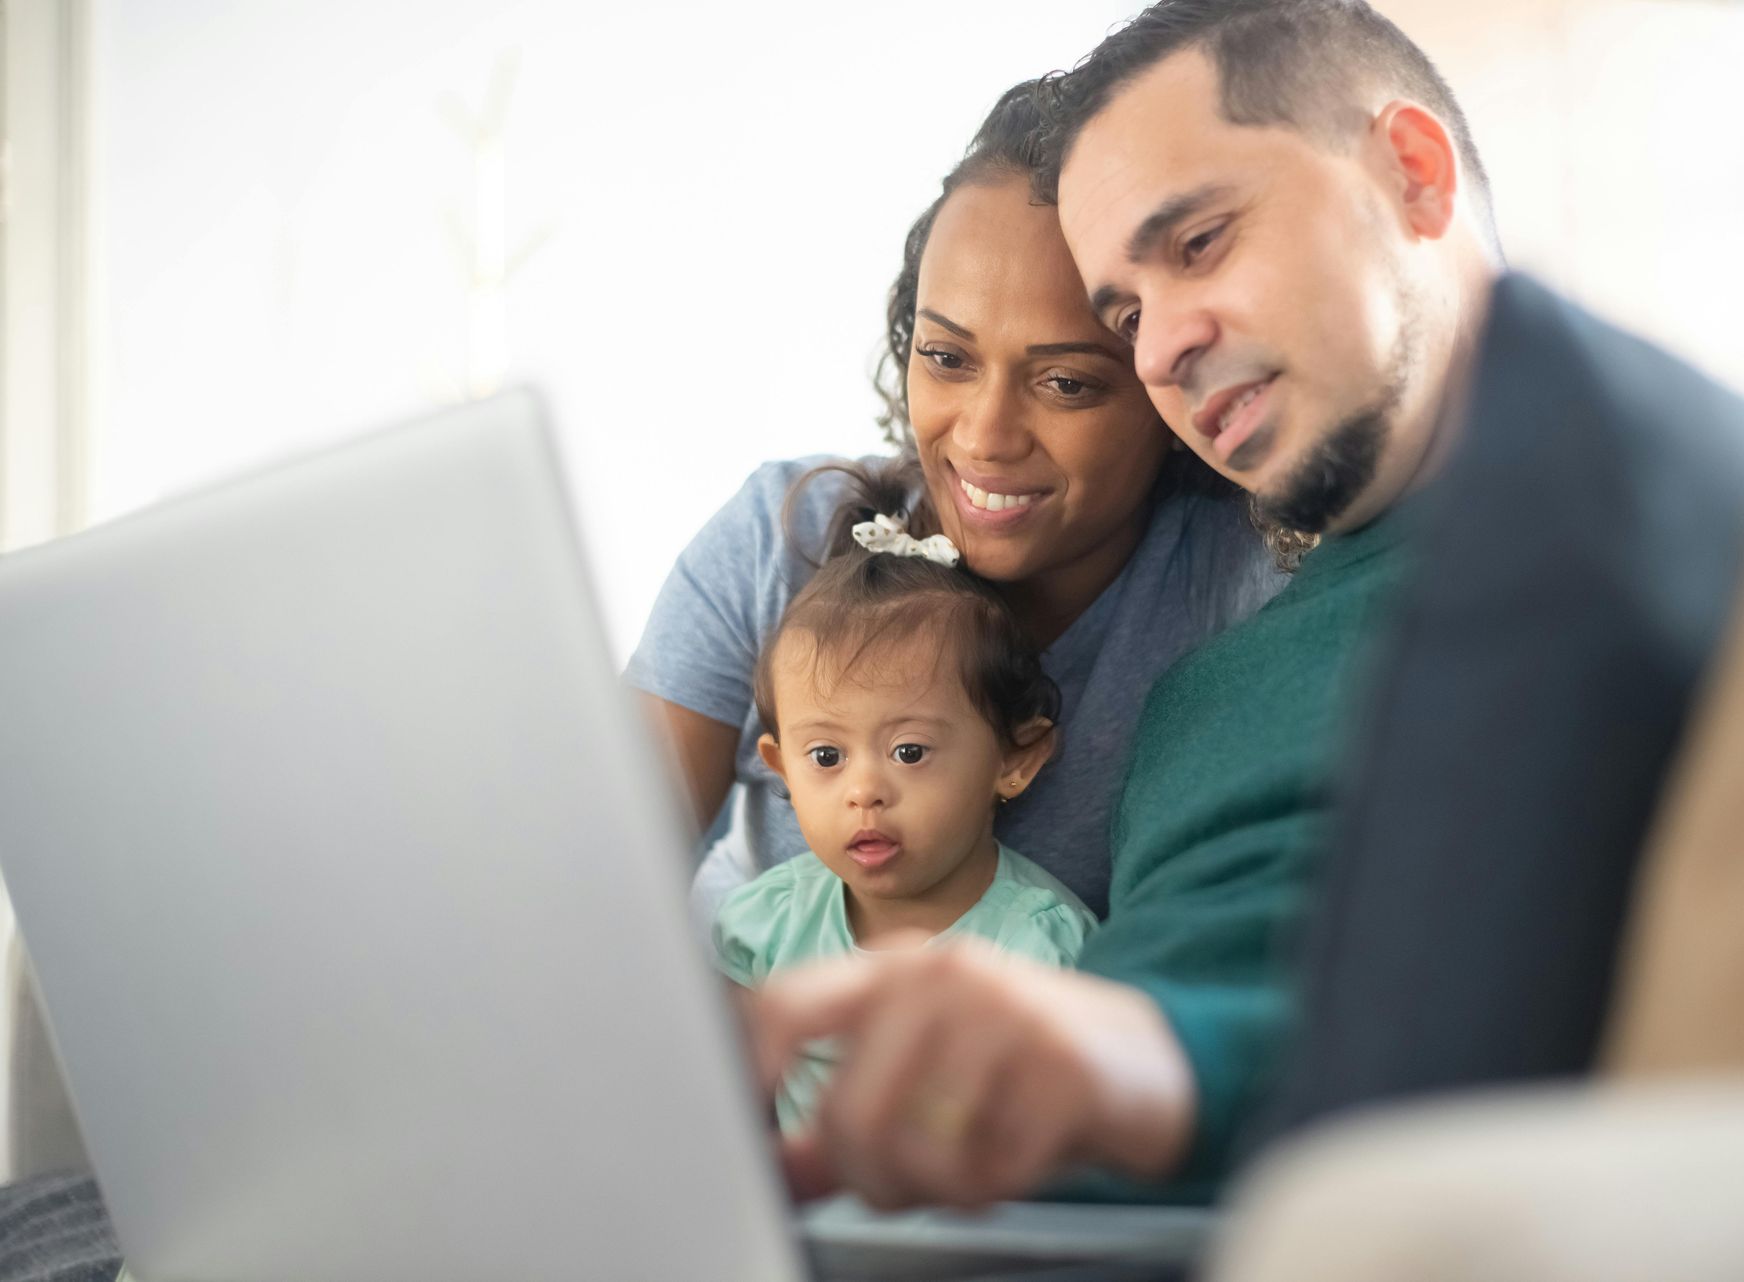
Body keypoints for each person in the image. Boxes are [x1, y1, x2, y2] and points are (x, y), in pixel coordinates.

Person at [754, 0, 1506, 1210]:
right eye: (1129, 312)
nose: (1165, 348)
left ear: (1411, 174)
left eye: (1201, 241)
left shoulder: (1611, 524)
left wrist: (1128, 1064)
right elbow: (1190, 987)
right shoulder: (1217, 693)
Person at [626, 81, 1290, 925]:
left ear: (1171, 386)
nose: (985, 436)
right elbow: (590, 888)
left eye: (1067, 382)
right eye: (947, 358)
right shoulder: (775, 540)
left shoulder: (1245, 591)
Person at [713, 462, 1098, 1131]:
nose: (864, 792)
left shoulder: (1039, 946)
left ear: (1015, 758)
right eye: (826, 757)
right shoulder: (763, 926)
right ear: (780, 768)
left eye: (910, 752)